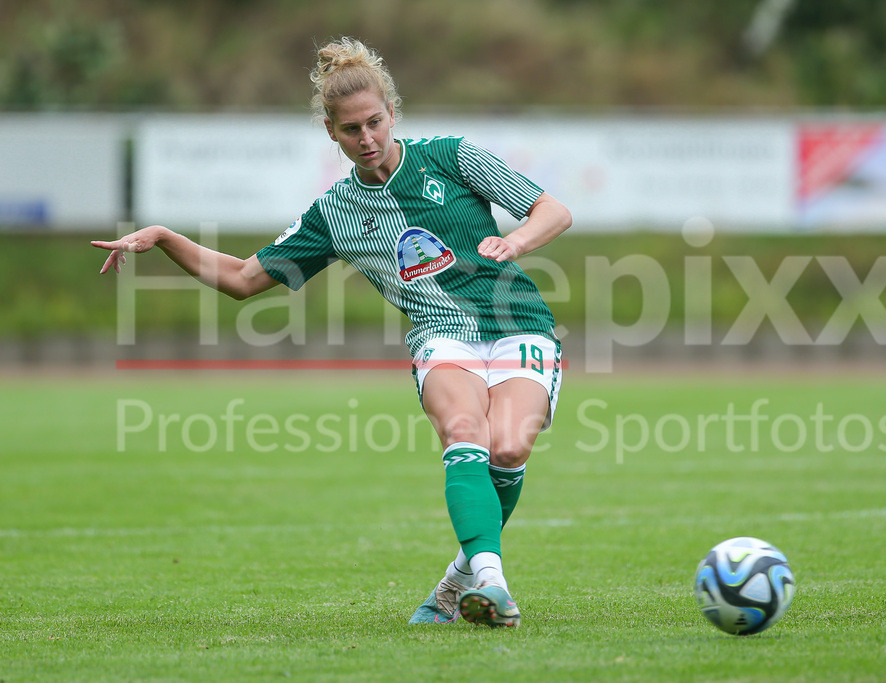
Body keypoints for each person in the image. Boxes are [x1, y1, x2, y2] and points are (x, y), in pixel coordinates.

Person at [92, 36, 572, 628]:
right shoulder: (335, 213)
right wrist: (164, 236)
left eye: (375, 122)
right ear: (331, 132)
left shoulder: (452, 156)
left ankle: (454, 585)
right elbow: (244, 279)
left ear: (393, 115)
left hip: (518, 322)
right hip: (441, 335)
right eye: (351, 130)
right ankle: (494, 588)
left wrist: (516, 241)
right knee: (464, 433)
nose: (367, 139)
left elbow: (553, 211)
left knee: (509, 447)